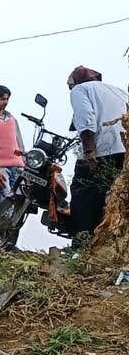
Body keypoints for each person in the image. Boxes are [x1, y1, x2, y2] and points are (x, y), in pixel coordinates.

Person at [67, 65, 127, 247]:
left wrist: (89, 151)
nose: (70, 90)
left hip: (102, 150)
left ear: (76, 81)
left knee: (83, 194)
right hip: (124, 150)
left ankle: (82, 244)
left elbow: (86, 119)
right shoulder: (118, 91)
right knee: (113, 199)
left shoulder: (80, 90)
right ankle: (108, 246)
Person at [0, 86, 25, 198]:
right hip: (0, 166)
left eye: (7, 99)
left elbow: (19, 141)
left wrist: (24, 161)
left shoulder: (12, 119)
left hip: (18, 165)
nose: (5, 102)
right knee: (6, 200)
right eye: (2, 99)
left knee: (21, 200)